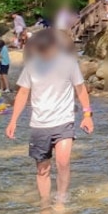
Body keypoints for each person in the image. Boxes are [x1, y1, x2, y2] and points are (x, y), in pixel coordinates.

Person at [5, 29, 93, 204]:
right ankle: (45, 205)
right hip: (39, 124)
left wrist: (87, 114)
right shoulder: (32, 66)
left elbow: (81, 89)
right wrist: (13, 120)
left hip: (63, 121)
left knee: (63, 162)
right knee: (43, 170)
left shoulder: (69, 64)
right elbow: (22, 94)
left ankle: (61, 200)